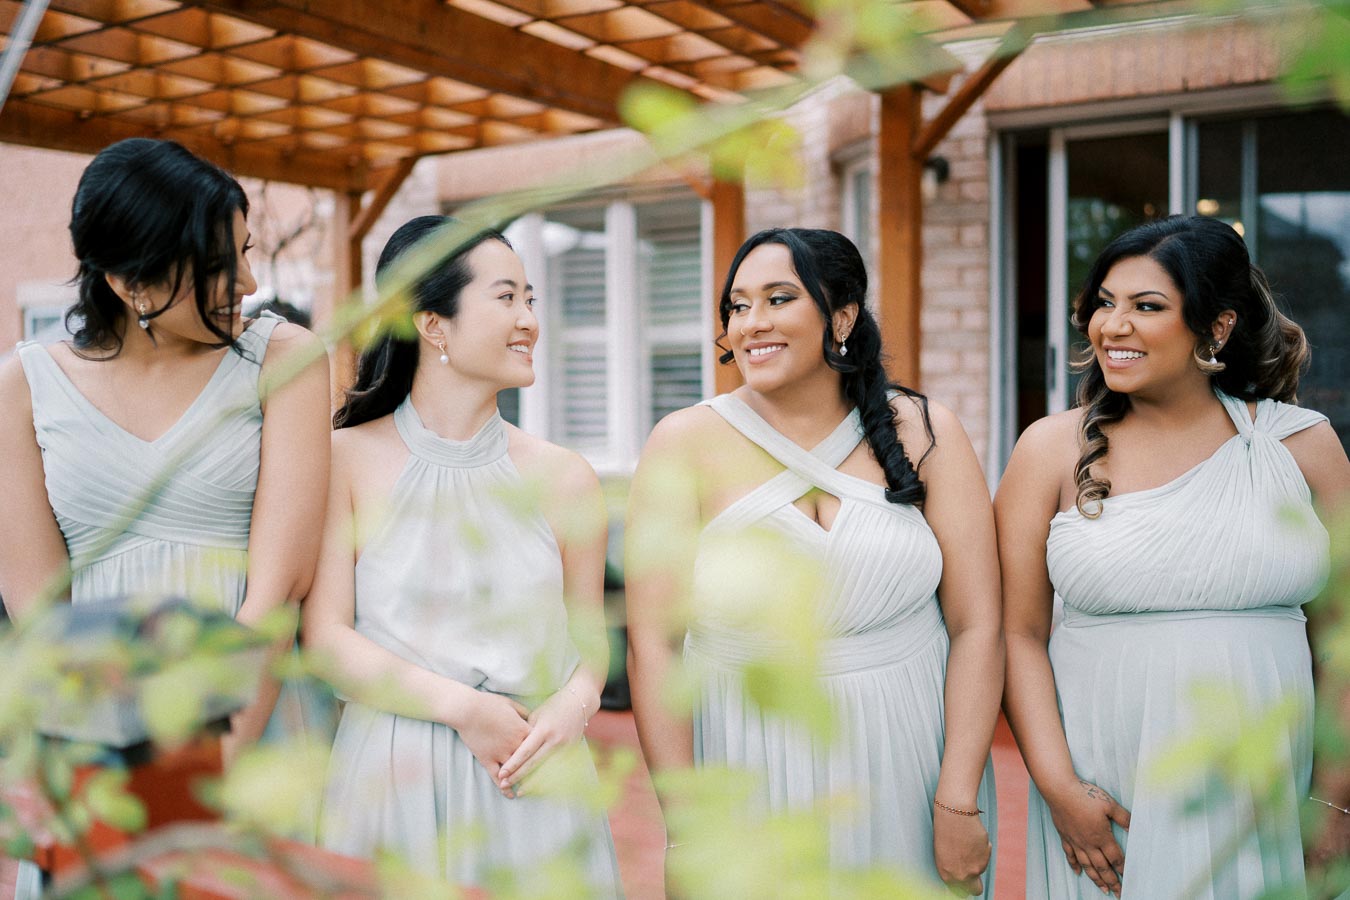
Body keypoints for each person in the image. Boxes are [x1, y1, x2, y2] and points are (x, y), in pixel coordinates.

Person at [0, 138, 332, 894]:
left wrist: (207, 773)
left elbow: (277, 591)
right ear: (129, 282)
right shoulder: (20, 387)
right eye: (220, 264)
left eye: (246, 252)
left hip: (253, 718)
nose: (248, 281)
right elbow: (41, 615)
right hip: (93, 735)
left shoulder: (285, 360)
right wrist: (115, 777)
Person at [625, 227, 1001, 894]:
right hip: (745, 754)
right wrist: (686, 828)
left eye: (778, 298)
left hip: (906, 757)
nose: (752, 323)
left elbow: (978, 625)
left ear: (843, 317)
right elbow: (653, 647)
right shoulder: (683, 442)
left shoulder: (923, 430)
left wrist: (957, 797)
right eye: (738, 306)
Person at [998, 215, 1350, 898]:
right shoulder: (1048, 450)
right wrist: (1060, 788)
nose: (1112, 326)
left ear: (1216, 327)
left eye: (1146, 306)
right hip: (1106, 784)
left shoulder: (1302, 446)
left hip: (1268, 782)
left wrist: (1335, 798)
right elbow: (1017, 634)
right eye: (1105, 303)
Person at [305, 216, 621, 893]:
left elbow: (589, 643)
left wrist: (577, 702)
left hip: (537, 771)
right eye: (506, 298)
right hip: (397, 772)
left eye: (530, 299)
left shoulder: (566, 476)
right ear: (432, 323)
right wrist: (463, 709)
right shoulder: (343, 461)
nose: (530, 319)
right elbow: (326, 640)